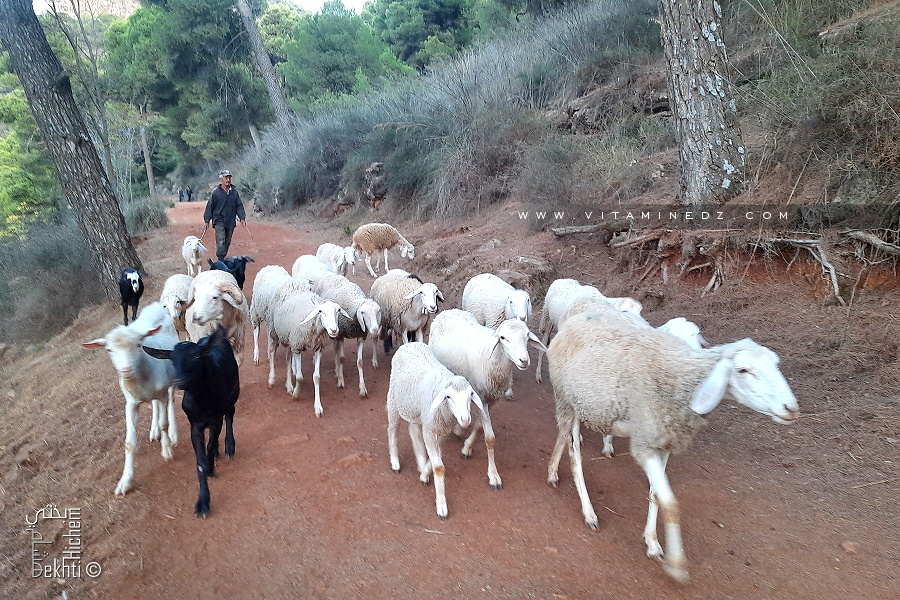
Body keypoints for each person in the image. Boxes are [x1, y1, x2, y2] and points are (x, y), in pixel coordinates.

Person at [204, 169, 246, 261]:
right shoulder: (216, 192)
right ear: (221, 179)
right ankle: (220, 259)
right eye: (226, 178)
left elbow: (239, 205)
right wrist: (207, 220)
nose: (228, 180)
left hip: (230, 220)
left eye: (229, 178)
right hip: (219, 220)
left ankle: (222, 256)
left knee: (227, 241)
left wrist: (242, 218)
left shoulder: (234, 192)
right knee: (221, 240)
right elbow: (210, 206)